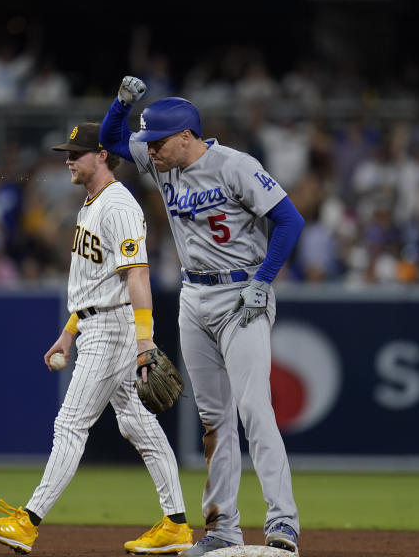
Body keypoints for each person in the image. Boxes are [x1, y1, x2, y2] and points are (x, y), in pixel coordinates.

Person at [100, 77, 304, 555]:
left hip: (241, 292)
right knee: (214, 419)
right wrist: (121, 104)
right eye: (148, 143)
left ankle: (283, 523)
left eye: (158, 143)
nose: (149, 151)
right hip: (194, 296)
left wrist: (263, 281)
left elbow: (290, 219)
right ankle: (222, 529)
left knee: (254, 409)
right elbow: (111, 139)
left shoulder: (235, 166)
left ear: (186, 137)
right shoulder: (162, 161)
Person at [0, 122, 193, 555]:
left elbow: (137, 277)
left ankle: (28, 522)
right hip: (94, 322)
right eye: (66, 153)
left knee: (70, 424)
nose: (68, 159)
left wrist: (144, 341)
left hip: (113, 328)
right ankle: (177, 524)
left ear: (103, 155)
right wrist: (68, 333)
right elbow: (94, 284)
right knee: (137, 423)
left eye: (77, 152)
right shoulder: (90, 205)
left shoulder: (119, 206)